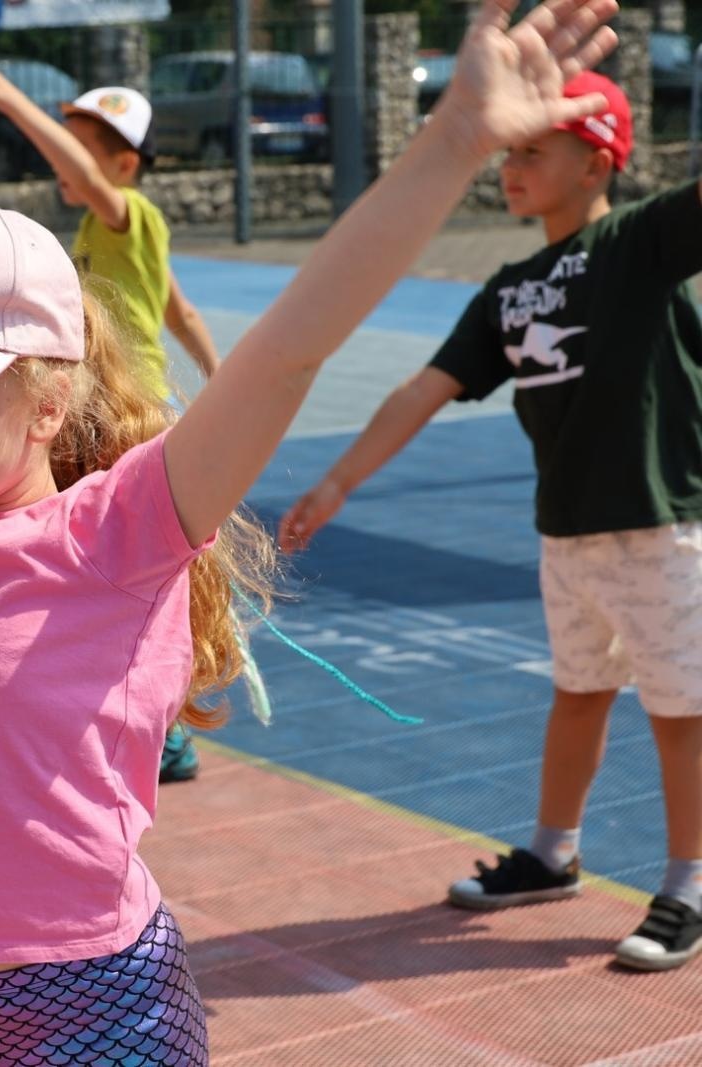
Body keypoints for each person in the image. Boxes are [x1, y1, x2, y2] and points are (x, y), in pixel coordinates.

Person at [0, 0, 618, 1060]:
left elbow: (286, 348)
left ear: (47, 403)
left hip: (84, 1007)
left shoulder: (111, 533)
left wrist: (453, 139)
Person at [280, 69, 702, 972]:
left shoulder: (643, 241)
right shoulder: (509, 290)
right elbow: (424, 388)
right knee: (578, 694)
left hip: (662, 527)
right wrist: (337, 483)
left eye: (532, 150)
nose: (510, 165)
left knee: (683, 711)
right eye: (507, 150)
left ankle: (688, 883)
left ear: (599, 163)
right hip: (569, 532)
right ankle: (553, 852)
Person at [0, 59, 222, 782]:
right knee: (109, 567)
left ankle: (164, 725)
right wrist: (224, 382)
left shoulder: (131, 214)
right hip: (102, 407)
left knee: (136, 572)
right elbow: (179, 309)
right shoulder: (106, 233)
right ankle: (124, 708)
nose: (61, 158)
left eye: (78, 145)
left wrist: (13, 104)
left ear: (124, 163)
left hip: (127, 417)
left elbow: (101, 194)